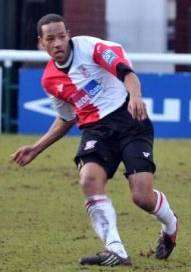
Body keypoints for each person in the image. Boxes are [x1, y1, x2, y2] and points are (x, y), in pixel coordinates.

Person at [11, 13, 178, 267]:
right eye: (50, 39)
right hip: (96, 131)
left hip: (130, 119)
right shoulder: (49, 80)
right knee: (89, 179)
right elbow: (66, 118)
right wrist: (36, 148)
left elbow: (127, 73)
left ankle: (170, 225)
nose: (57, 43)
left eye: (61, 36)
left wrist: (135, 96)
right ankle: (116, 250)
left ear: (68, 35)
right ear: (41, 42)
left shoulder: (91, 48)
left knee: (141, 197)